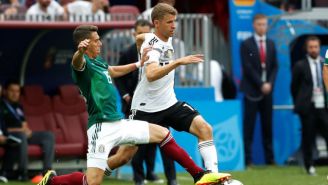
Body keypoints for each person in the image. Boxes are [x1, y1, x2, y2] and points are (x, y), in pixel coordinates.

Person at [37, 24, 231, 185]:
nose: (100, 43)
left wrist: (138, 64)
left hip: (118, 123)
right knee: (92, 182)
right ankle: (53, 182)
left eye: (99, 39)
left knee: (163, 134)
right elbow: (76, 62)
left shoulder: (99, 63)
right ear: (85, 44)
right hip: (100, 129)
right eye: (96, 40)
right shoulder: (82, 65)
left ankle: (200, 175)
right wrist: (79, 52)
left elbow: (112, 70)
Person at [129, 3, 220, 174]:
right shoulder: (154, 45)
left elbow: (140, 38)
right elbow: (151, 74)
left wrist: (140, 45)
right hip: (145, 109)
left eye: (175, 21)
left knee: (205, 129)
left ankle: (213, 178)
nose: (174, 26)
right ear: (156, 23)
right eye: (169, 22)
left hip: (169, 103)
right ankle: (95, 175)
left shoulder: (162, 37)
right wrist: (177, 62)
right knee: (125, 155)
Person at [115, 19, 175, 185]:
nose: (142, 36)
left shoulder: (159, 48)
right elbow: (117, 77)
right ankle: (139, 178)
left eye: (145, 32)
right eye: (139, 33)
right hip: (135, 104)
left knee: (163, 141)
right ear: (134, 34)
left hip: (158, 104)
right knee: (137, 144)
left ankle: (168, 178)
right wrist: (126, 95)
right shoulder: (128, 52)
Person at [240, 13, 278, 166]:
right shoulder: (246, 44)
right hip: (252, 91)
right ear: (254, 25)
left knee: (267, 125)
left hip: (267, 91)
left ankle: (270, 159)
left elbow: (275, 66)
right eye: (259, 24)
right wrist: (261, 84)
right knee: (249, 125)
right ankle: (247, 159)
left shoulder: (271, 44)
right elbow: (247, 68)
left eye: (264, 24)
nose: (262, 27)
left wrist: (269, 84)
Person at [0, 80, 55, 181]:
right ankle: (22, 172)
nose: (15, 94)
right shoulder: (2, 105)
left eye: (17, 91)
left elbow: (24, 123)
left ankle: (46, 171)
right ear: (5, 91)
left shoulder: (18, 106)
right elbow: (2, 129)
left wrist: (27, 130)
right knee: (21, 135)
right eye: (12, 90)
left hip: (23, 134)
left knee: (48, 135)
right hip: (10, 135)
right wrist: (21, 130)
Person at [291, 36, 328, 176]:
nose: (313, 49)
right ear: (306, 49)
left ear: (319, 48)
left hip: (323, 106)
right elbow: (294, 87)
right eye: (311, 47)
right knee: (308, 137)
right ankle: (309, 166)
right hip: (308, 107)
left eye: (316, 47)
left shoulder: (325, 63)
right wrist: (300, 103)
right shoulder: (300, 65)